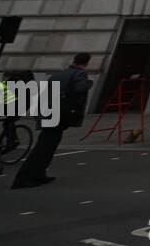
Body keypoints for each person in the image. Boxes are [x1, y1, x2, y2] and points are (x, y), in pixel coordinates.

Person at [12, 53, 91, 189]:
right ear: (86, 63)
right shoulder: (79, 74)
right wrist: (89, 83)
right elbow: (80, 88)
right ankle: (24, 178)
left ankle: (39, 174)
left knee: (47, 145)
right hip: (59, 114)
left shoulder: (58, 75)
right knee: (44, 148)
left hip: (48, 112)